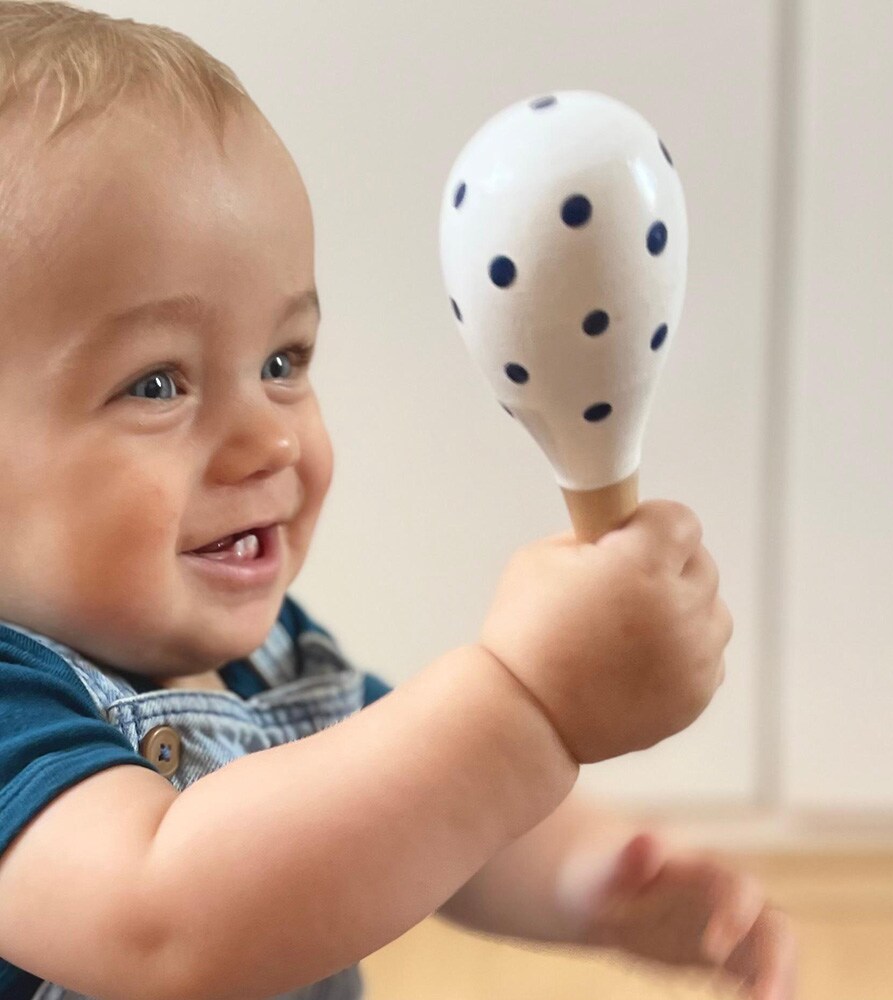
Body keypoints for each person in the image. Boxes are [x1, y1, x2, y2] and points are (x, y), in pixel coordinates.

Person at [0, 4, 796, 999]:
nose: (272, 438)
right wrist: (526, 704)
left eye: (283, 361)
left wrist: (595, 880)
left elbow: (434, 814)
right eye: (158, 383)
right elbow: (164, 919)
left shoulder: (270, 658)